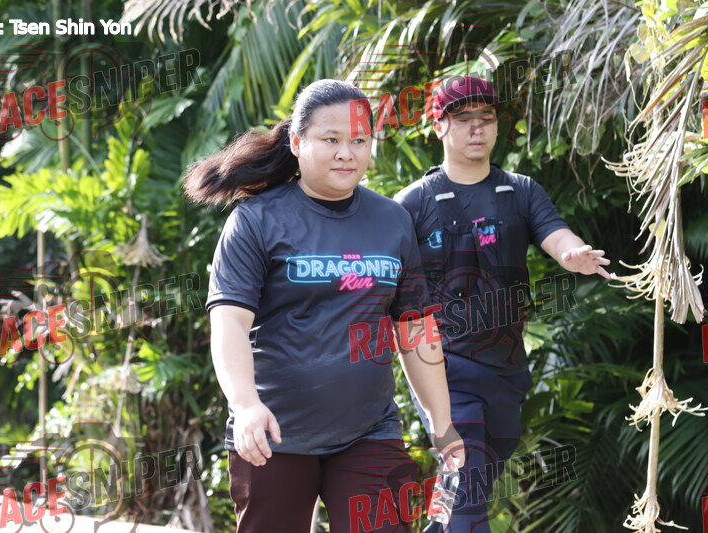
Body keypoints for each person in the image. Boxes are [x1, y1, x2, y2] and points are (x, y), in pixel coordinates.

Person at [184, 79, 465, 533]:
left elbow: (414, 328)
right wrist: (246, 404)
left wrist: (442, 423)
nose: (346, 154)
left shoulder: (393, 221)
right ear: (297, 143)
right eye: (330, 140)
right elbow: (229, 323)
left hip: (369, 430)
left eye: (359, 140)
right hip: (273, 434)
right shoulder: (256, 219)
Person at [394, 75, 611, 533]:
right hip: (444, 367)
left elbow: (555, 233)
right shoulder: (412, 203)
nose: (477, 127)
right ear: (439, 126)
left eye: (486, 117)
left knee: (471, 485)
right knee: (468, 484)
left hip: (507, 368)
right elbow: (389, 286)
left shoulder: (520, 191)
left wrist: (573, 253)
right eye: (463, 118)